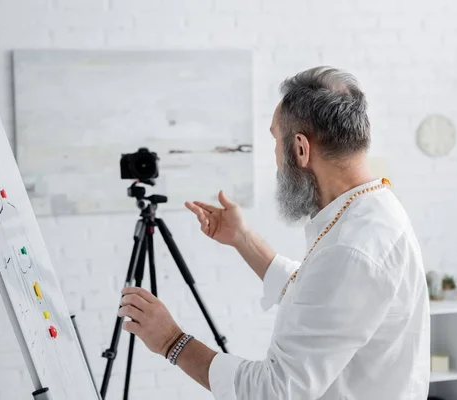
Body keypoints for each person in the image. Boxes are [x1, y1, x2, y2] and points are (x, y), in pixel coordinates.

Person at [117, 66, 430, 399]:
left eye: (275, 141)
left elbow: (275, 390)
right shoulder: (369, 211)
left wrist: (171, 341)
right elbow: (319, 295)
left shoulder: (352, 249)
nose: (277, 160)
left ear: (299, 148)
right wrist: (243, 239)